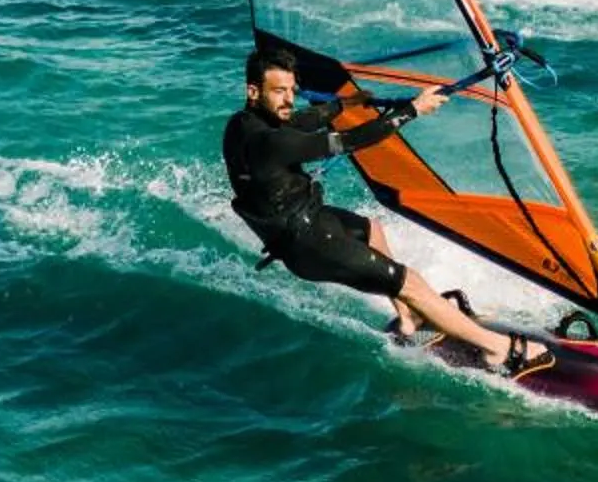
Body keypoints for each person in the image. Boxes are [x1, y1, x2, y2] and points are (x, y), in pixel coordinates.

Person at [223, 42, 554, 380]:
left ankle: (409, 319)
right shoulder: (270, 143)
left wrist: (342, 105)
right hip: (310, 242)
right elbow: (346, 141)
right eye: (279, 91)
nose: (289, 99)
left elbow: (297, 121)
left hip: (301, 227)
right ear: (253, 91)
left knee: (372, 229)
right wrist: (412, 109)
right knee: (409, 282)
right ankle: (500, 350)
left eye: (292, 90)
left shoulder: (240, 126)